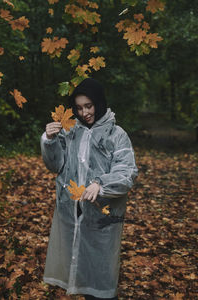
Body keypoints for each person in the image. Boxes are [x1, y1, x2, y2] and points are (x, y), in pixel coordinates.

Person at [40, 78, 138, 299]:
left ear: (99, 102)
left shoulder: (116, 134)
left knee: (100, 275)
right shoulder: (70, 131)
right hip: (71, 212)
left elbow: (126, 172)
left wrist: (100, 184)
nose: (84, 112)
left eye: (89, 106)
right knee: (78, 269)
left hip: (102, 214)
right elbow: (55, 165)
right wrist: (49, 139)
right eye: (79, 107)